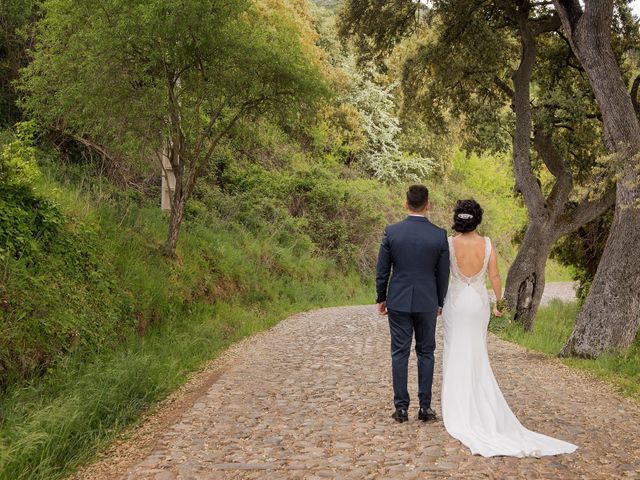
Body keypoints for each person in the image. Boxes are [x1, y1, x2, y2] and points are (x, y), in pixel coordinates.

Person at [441, 199, 578, 457]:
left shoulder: (449, 243)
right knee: (477, 350)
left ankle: (457, 404)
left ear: (458, 219)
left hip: (457, 301)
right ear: (477, 218)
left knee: (455, 347)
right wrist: (499, 304)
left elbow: (442, 274)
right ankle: (478, 400)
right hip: (478, 302)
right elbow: (494, 276)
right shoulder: (488, 244)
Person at [376, 184, 450, 423]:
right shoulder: (439, 235)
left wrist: (381, 296)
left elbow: (382, 269)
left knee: (399, 352)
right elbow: (442, 273)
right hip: (427, 301)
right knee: (426, 352)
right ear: (428, 205)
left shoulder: (392, 232)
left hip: (398, 299)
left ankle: (401, 408)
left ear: (405, 204)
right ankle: (425, 408)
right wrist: (440, 300)